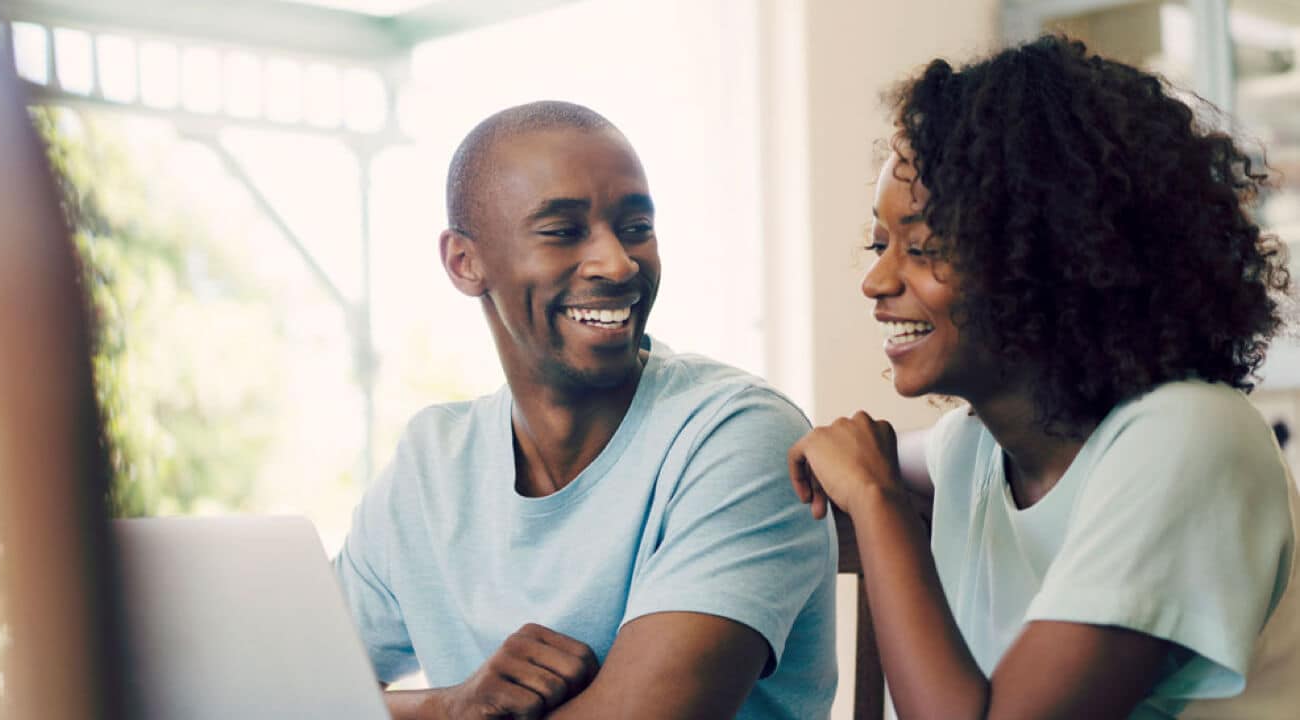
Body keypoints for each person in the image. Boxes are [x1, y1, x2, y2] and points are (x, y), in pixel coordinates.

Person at [788, 35, 1300, 718]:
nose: (876, 281)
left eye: (923, 248)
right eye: (880, 245)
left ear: (1049, 257)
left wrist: (879, 503)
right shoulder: (977, 448)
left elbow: (873, 476)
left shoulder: (1190, 436)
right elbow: (844, 456)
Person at [334, 101, 836, 719]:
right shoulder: (430, 464)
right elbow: (281, 691)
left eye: (635, 228)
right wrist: (448, 706)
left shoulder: (739, 435)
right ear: (465, 263)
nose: (618, 263)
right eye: (563, 231)